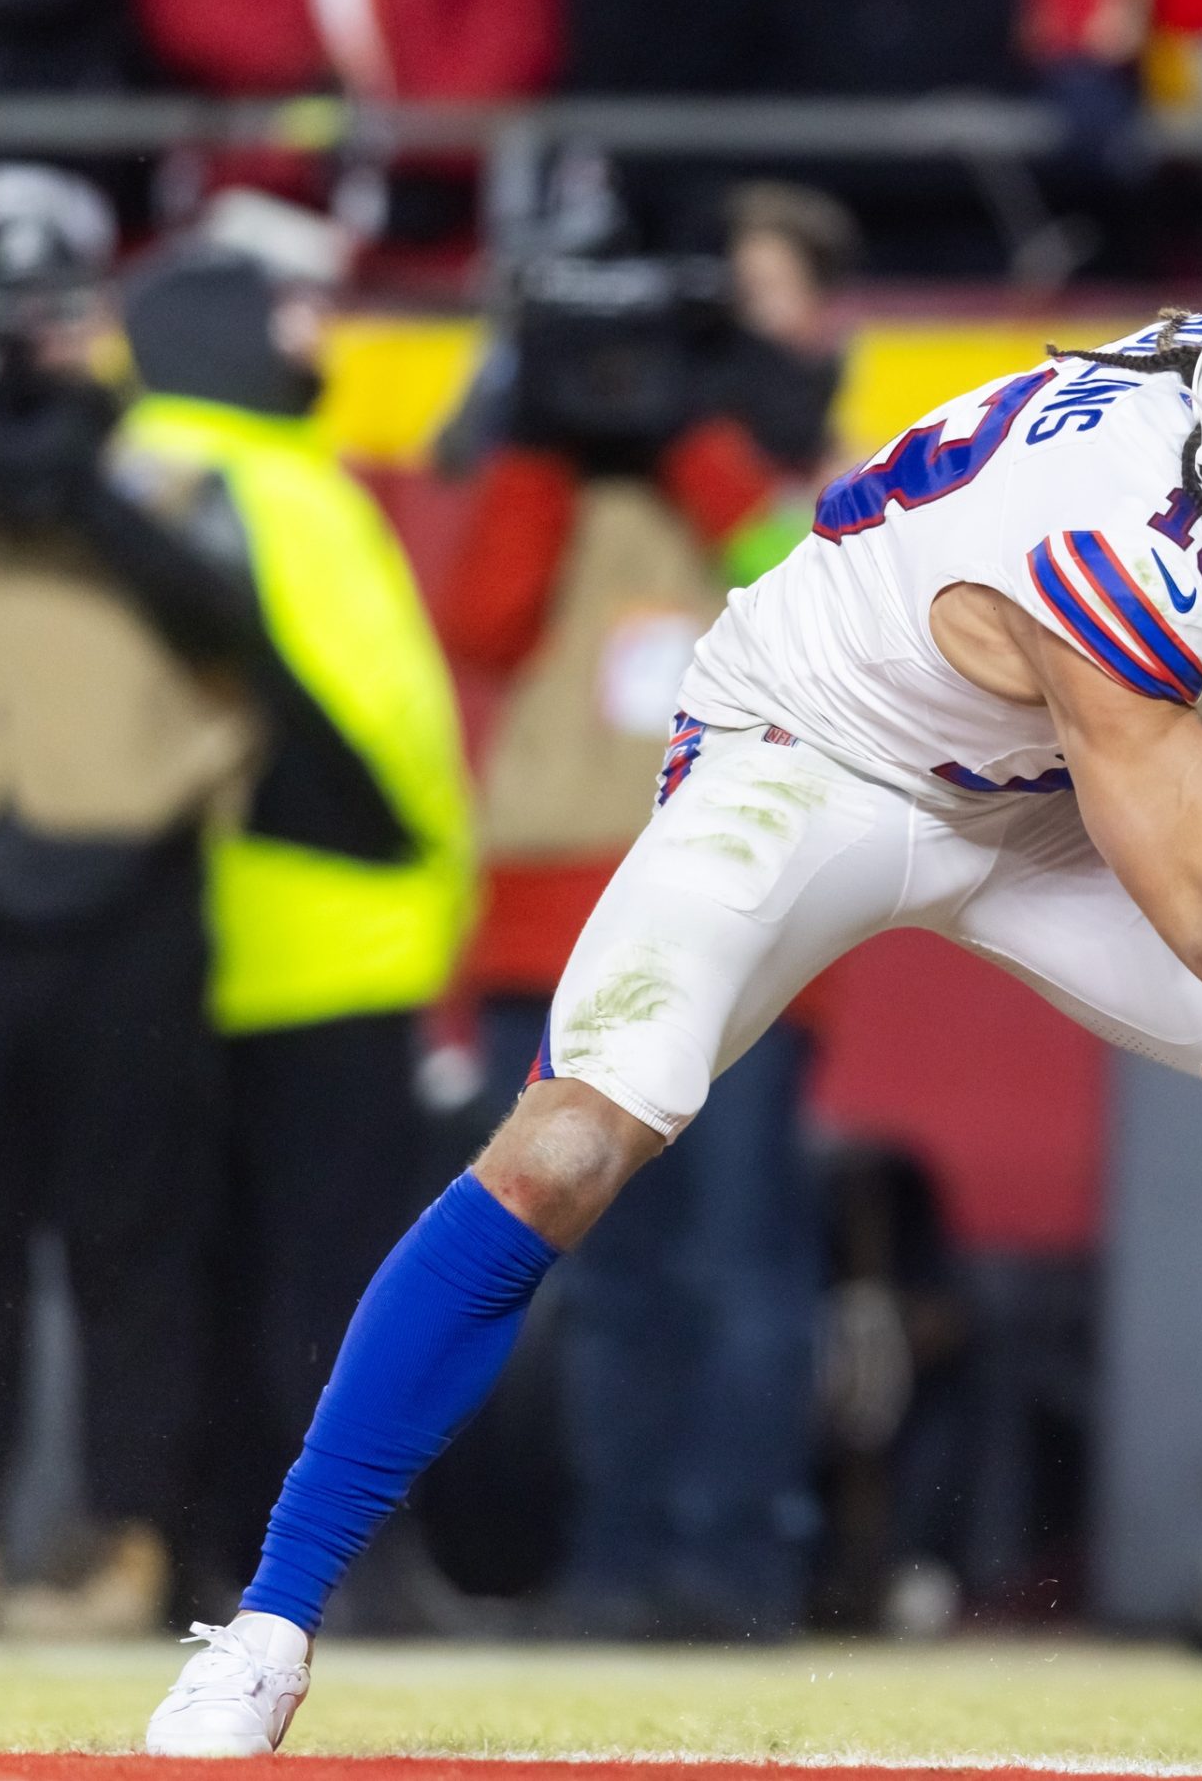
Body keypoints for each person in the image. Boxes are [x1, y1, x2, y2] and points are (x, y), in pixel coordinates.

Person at [147, 229, 1202, 1770]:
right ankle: (266, 1623)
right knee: (569, 1143)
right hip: (819, 755)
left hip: (1045, 775)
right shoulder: (1117, 539)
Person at [0, 185, 381, 1638]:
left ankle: (128, 1539)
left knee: (134, 1243)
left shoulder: (170, 480)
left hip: (130, 896)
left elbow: (226, 637)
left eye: (51, 324)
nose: (26, 354)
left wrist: (82, 485)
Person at [437, 179, 856, 1640]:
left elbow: (796, 587)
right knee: (601, 1269)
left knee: (738, 1266)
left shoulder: (802, 466)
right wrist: (550, 426)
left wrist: (688, 434)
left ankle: (735, 1564)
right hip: (555, 920)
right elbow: (484, 623)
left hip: (742, 915)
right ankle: (615, 1562)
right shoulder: (545, 461)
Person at [113, 194, 477, 1620]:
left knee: (259, 1270)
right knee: (319, 1282)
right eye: (290, 311)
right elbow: (275, 713)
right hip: (293, 940)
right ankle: (327, 1568)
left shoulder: (249, 469)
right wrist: (388, 842)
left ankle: (235, 1559)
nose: (317, 332)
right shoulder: (196, 475)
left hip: (302, 939)